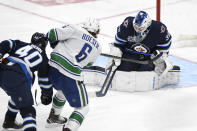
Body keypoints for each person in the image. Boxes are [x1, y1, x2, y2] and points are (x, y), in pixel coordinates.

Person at [45, 17, 101, 131]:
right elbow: (89, 63)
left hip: (53, 69)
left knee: (62, 92)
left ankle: (54, 117)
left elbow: (51, 34)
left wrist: (56, 45)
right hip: (70, 75)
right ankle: (69, 128)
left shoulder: (75, 28)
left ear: (84, 26)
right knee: (83, 108)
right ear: (97, 32)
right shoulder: (98, 47)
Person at [106, 10, 179, 91]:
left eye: (140, 28)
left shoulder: (159, 29)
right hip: (129, 55)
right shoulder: (127, 24)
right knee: (123, 72)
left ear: (148, 25)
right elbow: (118, 44)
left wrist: (161, 58)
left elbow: (164, 49)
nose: (137, 30)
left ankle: (160, 74)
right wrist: (116, 52)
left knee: (145, 76)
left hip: (148, 58)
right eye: (136, 27)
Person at [0, 32, 53, 131]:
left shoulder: (22, 44)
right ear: (44, 44)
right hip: (16, 76)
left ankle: (9, 121)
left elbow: (7, 43)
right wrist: (47, 94)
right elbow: (44, 80)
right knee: (28, 110)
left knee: (18, 96)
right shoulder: (44, 58)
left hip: (3, 67)